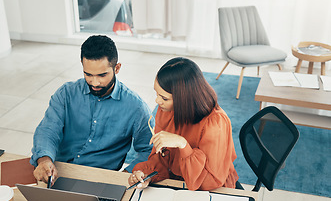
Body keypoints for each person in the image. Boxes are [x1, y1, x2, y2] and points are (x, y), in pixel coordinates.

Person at [31, 35, 153, 184]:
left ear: (117, 68)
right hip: (56, 172)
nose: (94, 82)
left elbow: (148, 150)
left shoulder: (136, 107)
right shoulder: (66, 93)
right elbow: (48, 130)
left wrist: (126, 175)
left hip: (99, 179)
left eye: (102, 75)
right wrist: (44, 160)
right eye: (88, 74)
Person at [128, 57, 239, 191]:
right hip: (177, 181)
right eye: (156, 93)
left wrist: (183, 144)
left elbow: (210, 182)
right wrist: (146, 174)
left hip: (208, 187)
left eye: (164, 98)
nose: (157, 101)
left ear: (183, 99)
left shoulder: (215, 123)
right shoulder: (167, 109)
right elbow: (161, 156)